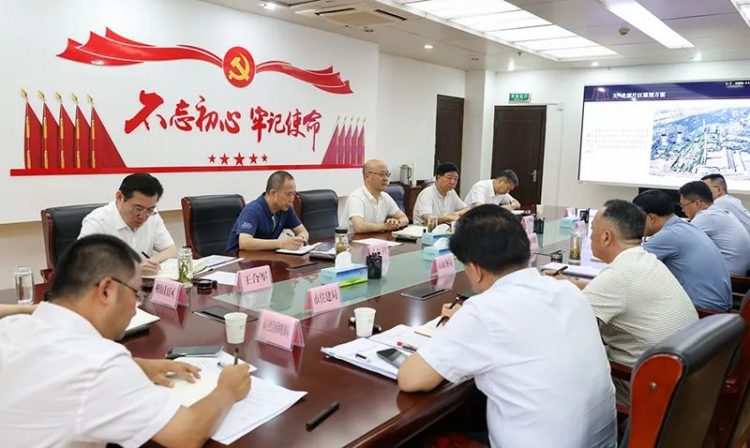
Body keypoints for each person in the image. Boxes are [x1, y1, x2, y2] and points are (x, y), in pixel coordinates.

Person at [0, 234, 251, 447]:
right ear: (106, 290)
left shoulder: (12, 327)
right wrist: (227, 390)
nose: (136, 307)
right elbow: (186, 434)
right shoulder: (100, 365)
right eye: (136, 294)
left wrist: (136, 366)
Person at [398, 205, 616, 448]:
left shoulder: (484, 311)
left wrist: (460, 324)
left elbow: (411, 379)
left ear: (475, 270)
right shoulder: (567, 290)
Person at [553, 200, 697, 404]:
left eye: (592, 230)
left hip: (641, 387)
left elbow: (567, 330)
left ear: (606, 237)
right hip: (679, 382)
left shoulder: (617, 277)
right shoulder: (646, 261)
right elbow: (618, 294)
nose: (590, 236)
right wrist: (571, 284)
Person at [633, 189, 732, 311]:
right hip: (718, 309)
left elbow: (631, 264)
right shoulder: (685, 228)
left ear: (651, 218)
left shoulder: (668, 235)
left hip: (702, 311)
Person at [79, 173, 177, 276]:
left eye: (150, 209)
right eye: (138, 208)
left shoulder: (153, 216)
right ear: (120, 197)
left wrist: (150, 263)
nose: (143, 216)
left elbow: (171, 250)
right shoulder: (97, 222)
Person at [226, 171, 310, 253]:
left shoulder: (285, 208)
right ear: (273, 193)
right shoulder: (252, 210)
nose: (292, 199)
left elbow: (302, 231)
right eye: (288, 194)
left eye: (293, 194)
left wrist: (300, 240)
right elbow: (244, 243)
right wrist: (282, 243)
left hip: (264, 257)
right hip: (238, 258)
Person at [679, 181, 750, 275]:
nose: (683, 210)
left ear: (697, 203)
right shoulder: (719, 211)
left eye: (683, 205)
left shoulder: (707, 216)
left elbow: (679, 241)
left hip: (730, 277)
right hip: (737, 271)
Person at [340, 159, 409, 233]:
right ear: (367, 177)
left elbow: (404, 218)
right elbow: (359, 227)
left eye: (387, 174)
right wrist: (385, 226)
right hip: (352, 240)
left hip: (376, 238)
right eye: (381, 174)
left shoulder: (385, 197)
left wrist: (396, 222)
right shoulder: (356, 197)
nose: (386, 179)